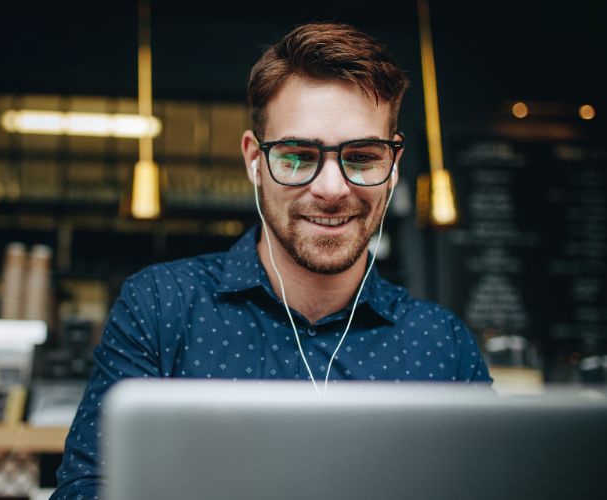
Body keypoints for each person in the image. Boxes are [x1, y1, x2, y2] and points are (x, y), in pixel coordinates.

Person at [50, 22, 492, 499]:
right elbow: (87, 488)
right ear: (254, 161)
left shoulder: (443, 346)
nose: (332, 188)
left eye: (362, 157)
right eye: (299, 156)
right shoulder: (161, 307)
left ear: (394, 167)